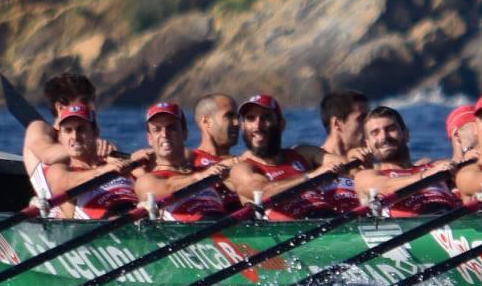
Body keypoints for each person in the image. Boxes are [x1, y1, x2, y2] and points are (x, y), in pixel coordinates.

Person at [228, 93, 357, 218]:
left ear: (281, 124)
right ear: (243, 127)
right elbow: (264, 193)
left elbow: (349, 168)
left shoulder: (304, 153)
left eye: (266, 117)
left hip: (327, 218)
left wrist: (357, 159)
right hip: (287, 231)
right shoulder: (242, 169)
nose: (257, 126)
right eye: (250, 118)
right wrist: (311, 176)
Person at [350, 106, 466, 216]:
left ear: (406, 134)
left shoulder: (434, 166)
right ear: (368, 143)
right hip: (410, 230)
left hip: (456, 223)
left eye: (391, 129)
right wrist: (427, 174)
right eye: (375, 133)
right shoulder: (366, 176)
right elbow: (385, 188)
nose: (383, 137)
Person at [21, 70, 115, 204]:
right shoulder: (39, 128)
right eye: (84, 102)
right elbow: (47, 155)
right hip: (57, 211)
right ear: (60, 108)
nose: (92, 109)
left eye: (91, 102)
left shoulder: (86, 137)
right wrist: (90, 145)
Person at [132, 101, 236, 221]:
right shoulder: (147, 180)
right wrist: (200, 177)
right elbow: (168, 187)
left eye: (172, 128)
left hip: (224, 227)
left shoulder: (206, 172)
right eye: (157, 130)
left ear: (185, 133)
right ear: (149, 139)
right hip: (188, 232)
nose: (165, 134)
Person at [41, 103, 140, 219]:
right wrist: (104, 170)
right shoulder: (58, 170)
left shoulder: (116, 163)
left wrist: (145, 159)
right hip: (106, 226)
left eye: (81, 129)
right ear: (60, 137)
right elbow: (64, 183)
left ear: (95, 133)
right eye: (68, 130)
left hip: (140, 216)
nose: (75, 136)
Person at [191, 94, 240, 169]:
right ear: (206, 122)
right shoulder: (190, 163)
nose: (237, 123)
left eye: (237, 117)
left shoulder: (242, 163)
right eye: (229, 116)